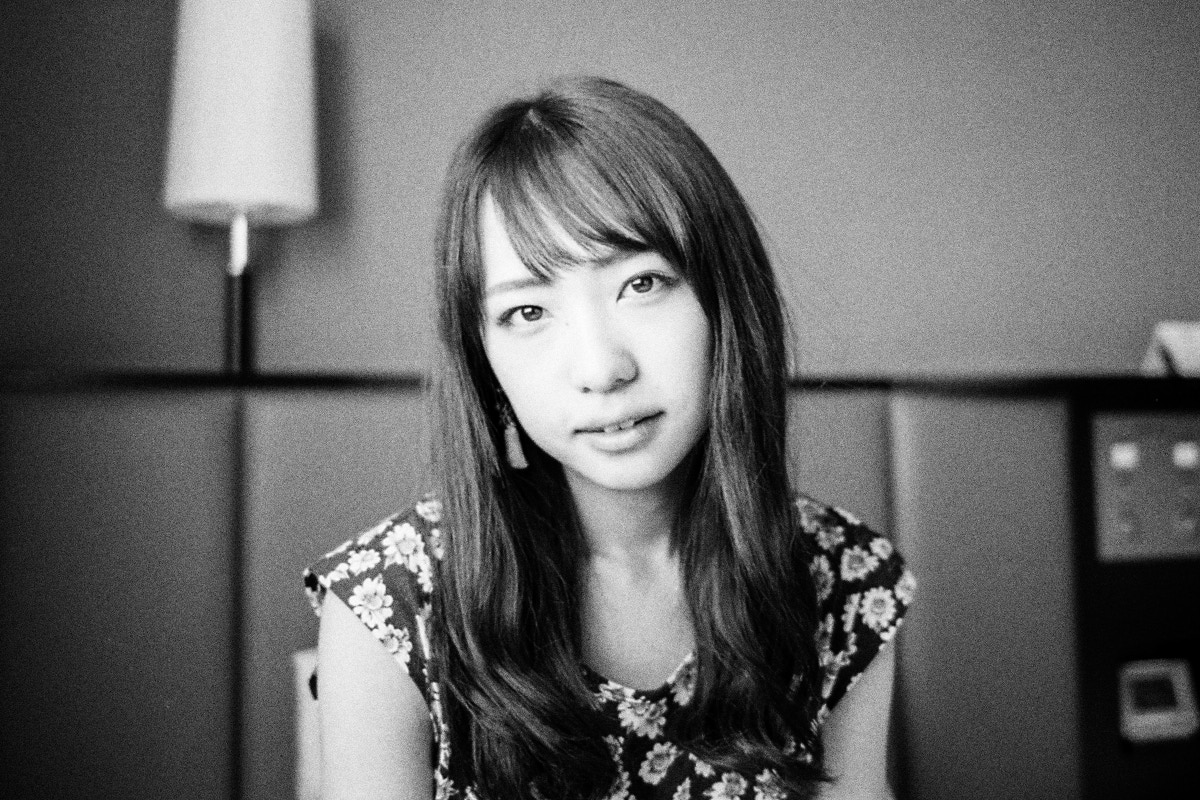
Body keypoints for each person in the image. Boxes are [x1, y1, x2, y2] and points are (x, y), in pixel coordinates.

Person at [303, 76, 915, 800]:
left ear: (724, 301)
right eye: (529, 312)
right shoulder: (389, 604)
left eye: (642, 284)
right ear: (483, 360)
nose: (601, 369)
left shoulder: (840, 581)